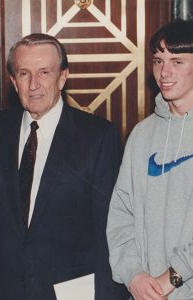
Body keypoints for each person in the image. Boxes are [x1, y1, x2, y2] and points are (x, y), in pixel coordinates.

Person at [0, 33, 129, 299]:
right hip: (4, 291)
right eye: (24, 74)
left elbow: (108, 230)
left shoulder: (98, 136)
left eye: (44, 72)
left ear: (62, 77)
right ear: (13, 81)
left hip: (71, 291)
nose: (34, 84)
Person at [107, 19, 193, 300]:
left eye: (177, 61)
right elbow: (121, 214)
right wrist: (133, 275)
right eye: (158, 61)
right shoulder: (141, 135)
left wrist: (173, 277)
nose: (164, 72)